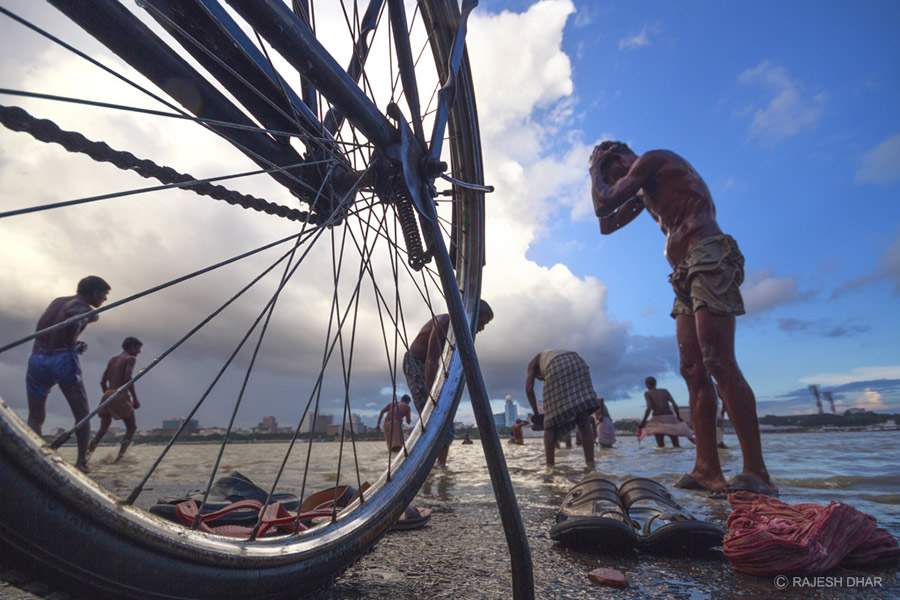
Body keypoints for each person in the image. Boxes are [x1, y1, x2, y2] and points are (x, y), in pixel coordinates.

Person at [589, 141, 776, 494]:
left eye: (612, 172)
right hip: (681, 273)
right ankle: (707, 469)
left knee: (717, 359)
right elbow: (606, 224)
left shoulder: (652, 160)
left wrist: (594, 170)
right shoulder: (644, 192)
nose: (614, 180)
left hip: (707, 254)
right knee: (692, 369)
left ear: (618, 158)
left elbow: (605, 199)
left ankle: (757, 472)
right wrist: (600, 175)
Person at [26, 276, 111, 473]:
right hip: (62, 359)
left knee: (36, 416)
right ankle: (81, 462)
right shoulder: (84, 309)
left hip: (37, 357)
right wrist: (73, 341)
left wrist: (73, 340)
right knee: (82, 414)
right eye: (104, 295)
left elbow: (55, 323)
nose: (105, 300)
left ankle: (35, 456)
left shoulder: (57, 301)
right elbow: (74, 315)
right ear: (94, 292)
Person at [403, 300, 494, 466]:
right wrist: (433, 396)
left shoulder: (462, 332)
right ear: (471, 316)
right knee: (431, 415)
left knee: (445, 419)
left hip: (434, 367)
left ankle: (440, 466)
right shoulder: (445, 322)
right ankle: (420, 463)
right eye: (481, 323)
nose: (482, 328)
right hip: (417, 362)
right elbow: (430, 361)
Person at [525, 350, 602, 466]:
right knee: (583, 420)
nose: (544, 380)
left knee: (550, 424)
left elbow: (529, 389)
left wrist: (536, 414)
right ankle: (590, 464)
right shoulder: (550, 353)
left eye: (542, 379)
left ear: (537, 374)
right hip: (579, 363)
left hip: (556, 366)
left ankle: (550, 466)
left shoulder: (532, 364)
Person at [88, 337, 143, 463]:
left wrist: (108, 396)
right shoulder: (130, 359)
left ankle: (86, 456)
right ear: (131, 347)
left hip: (107, 393)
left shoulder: (113, 359)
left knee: (103, 430)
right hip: (119, 394)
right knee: (131, 427)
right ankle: (119, 458)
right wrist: (134, 399)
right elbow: (128, 378)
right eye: (138, 349)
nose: (139, 352)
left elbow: (102, 382)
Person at [638, 377, 693, 447]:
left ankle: (663, 458)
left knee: (661, 447)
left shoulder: (647, 393)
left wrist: (643, 422)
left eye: (645, 384)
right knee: (676, 446)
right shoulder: (665, 391)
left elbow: (649, 408)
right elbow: (675, 405)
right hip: (670, 420)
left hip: (657, 421)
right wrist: (678, 417)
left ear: (647, 384)